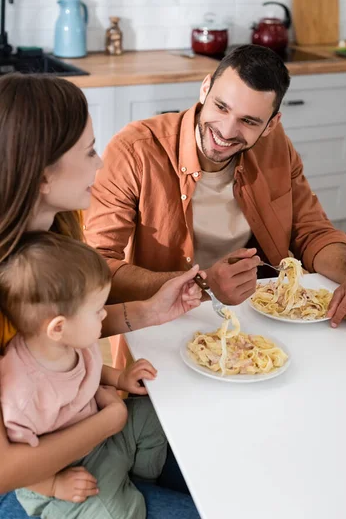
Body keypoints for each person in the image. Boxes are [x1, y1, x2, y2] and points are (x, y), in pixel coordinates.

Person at [84, 44, 346, 370]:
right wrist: (204, 283)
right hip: (159, 320)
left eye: (248, 121)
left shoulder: (276, 147)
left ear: (271, 124)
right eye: (221, 107)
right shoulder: (135, 151)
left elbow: (311, 231)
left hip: (257, 317)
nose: (226, 131)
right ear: (205, 88)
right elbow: (95, 268)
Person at [0, 73, 201, 518]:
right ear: (41, 175)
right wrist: (109, 420)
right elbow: (5, 468)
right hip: (37, 482)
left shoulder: (58, 232)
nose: (101, 162)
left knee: (211, 460)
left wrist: (149, 311)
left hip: (90, 433)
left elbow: (65, 325)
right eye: (90, 150)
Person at [0, 231, 184, 519]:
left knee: (151, 415)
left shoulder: (75, 342)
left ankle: (139, 481)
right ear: (58, 327)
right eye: (97, 310)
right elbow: (21, 468)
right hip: (66, 470)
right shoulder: (22, 392)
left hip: (103, 435)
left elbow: (89, 371)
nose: (103, 316)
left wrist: (119, 379)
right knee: (120, 512)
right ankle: (123, 495)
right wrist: (54, 485)